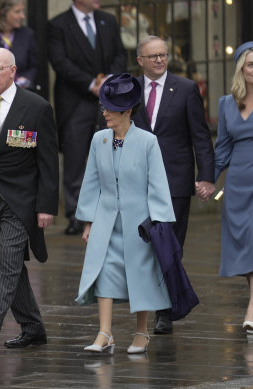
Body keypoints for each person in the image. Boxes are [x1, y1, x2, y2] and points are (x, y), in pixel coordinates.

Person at [75, 73, 176, 355]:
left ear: (127, 111)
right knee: (104, 273)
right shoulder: (99, 140)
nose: (104, 112)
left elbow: (158, 183)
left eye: (110, 108)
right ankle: (104, 333)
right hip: (106, 220)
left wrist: (159, 223)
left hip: (139, 223)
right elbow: (91, 182)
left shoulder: (147, 141)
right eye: (103, 107)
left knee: (140, 276)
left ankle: (142, 332)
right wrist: (88, 222)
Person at [0, 48, 59, 354]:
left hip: (20, 201)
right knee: (12, 267)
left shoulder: (36, 107)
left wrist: (47, 206)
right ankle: (33, 328)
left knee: (8, 267)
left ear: (13, 71)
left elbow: (48, 162)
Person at [132, 35, 215, 334]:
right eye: (152, 56)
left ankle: (165, 311)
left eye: (163, 55)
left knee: (171, 244)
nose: (159, 60)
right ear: (140, 60)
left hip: (176, 180)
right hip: (137, 180)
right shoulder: (129, 89)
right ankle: (152, 300)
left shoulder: (186, 89)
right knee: (143, 245)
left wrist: (206, 175)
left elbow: (201, 136)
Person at [47, 0, 127, 235]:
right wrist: (91, 84)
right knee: (75, 159)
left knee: (110, 157)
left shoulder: (108, 20)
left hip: (108, 99)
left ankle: (110, 211)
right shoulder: (58, 25)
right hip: (75, 101)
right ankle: (76, 215)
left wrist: (107, 81)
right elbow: (59, 62)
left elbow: (120, 54)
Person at [213, 41, 253, 335]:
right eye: (250, 64)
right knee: (245, 243)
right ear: (241, 69)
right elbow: (223, 147)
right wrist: (207, 180)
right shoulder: (226, 103)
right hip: (238, 183)